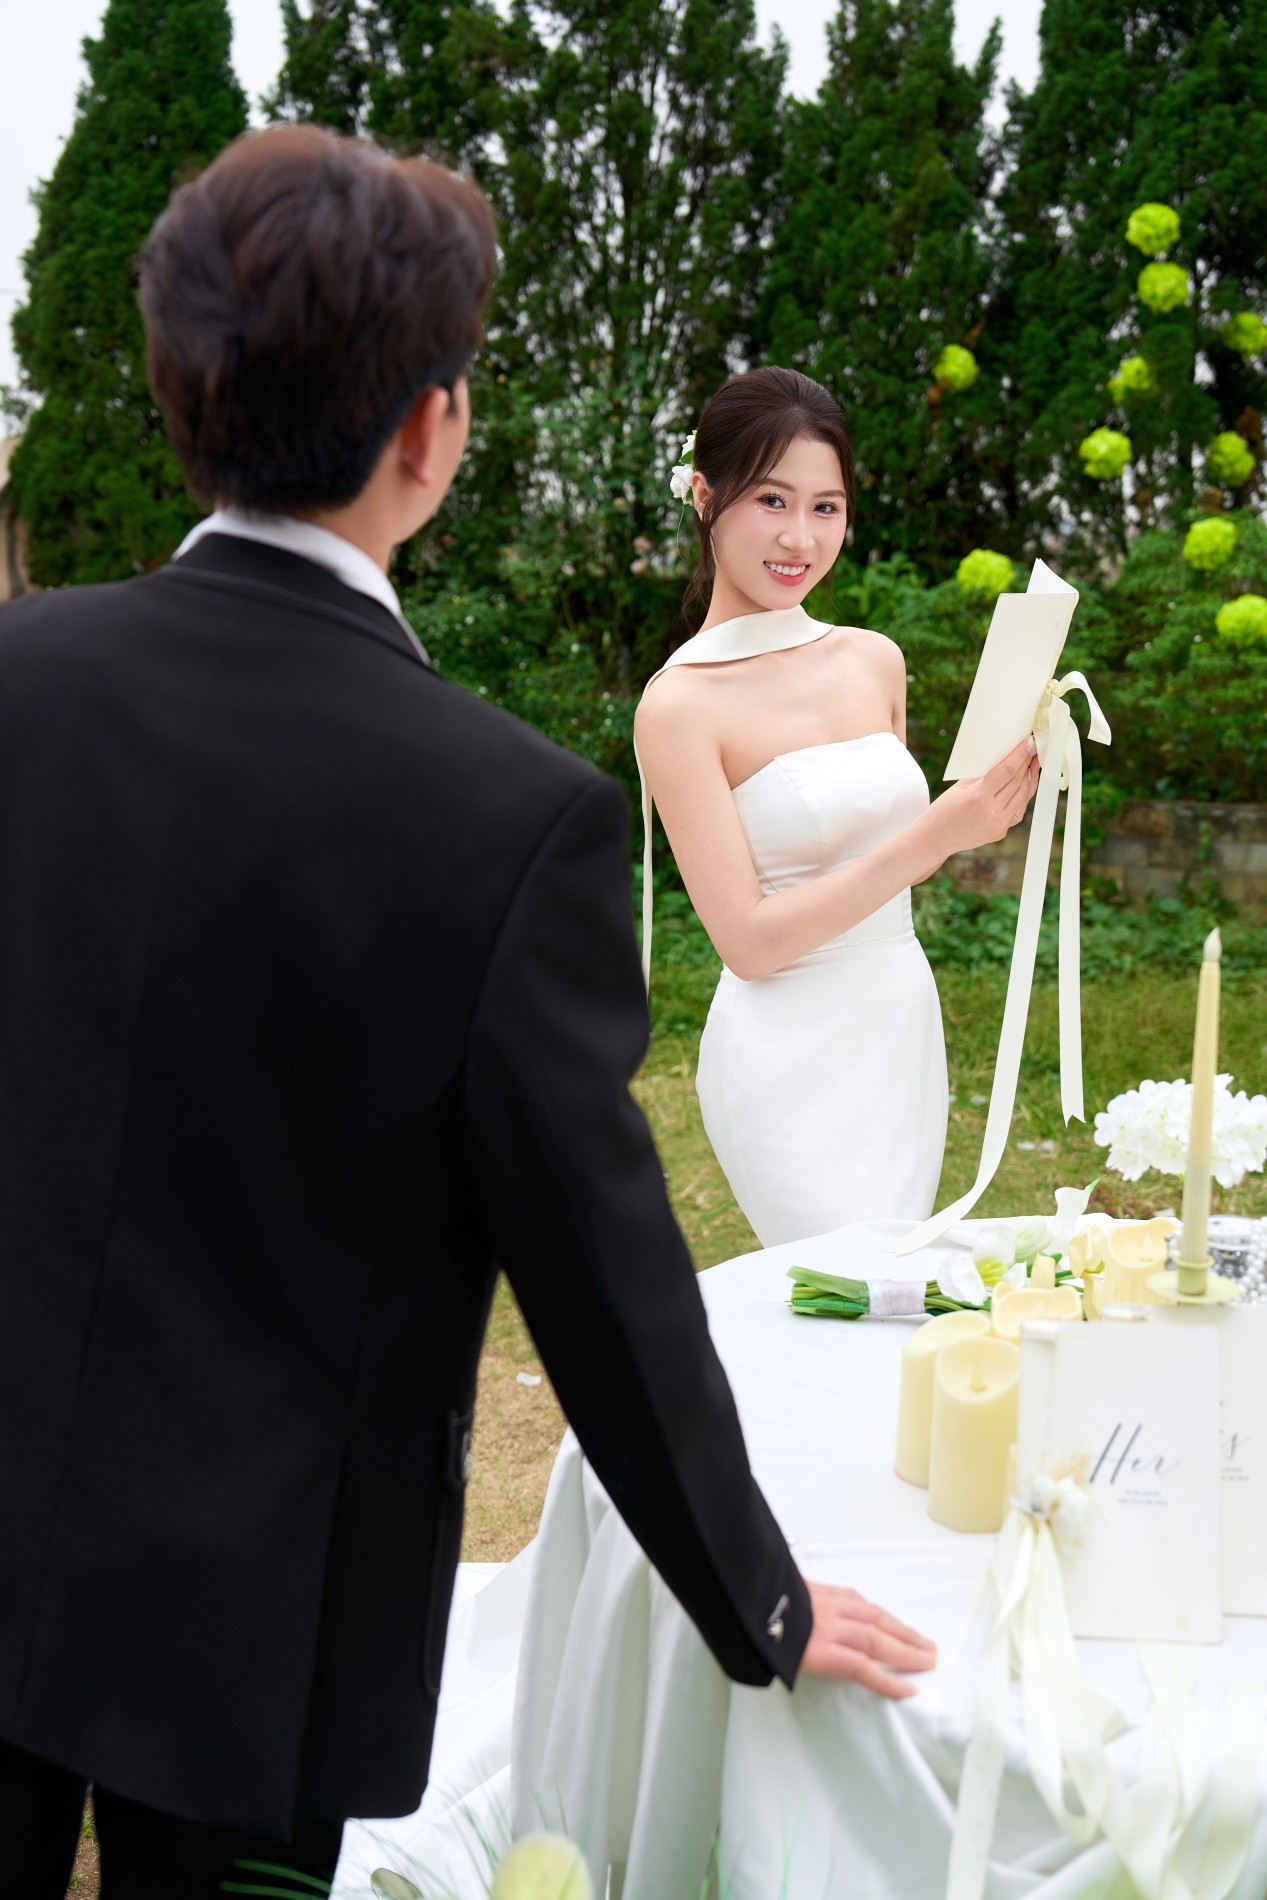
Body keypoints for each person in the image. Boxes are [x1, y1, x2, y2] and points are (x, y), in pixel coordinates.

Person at [0, 128, 936, 1899]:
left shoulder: (17, 682)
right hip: (260, 1603)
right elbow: (604, 1276)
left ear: (174, 388)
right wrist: (758, 1599)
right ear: (430, 431)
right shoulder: (500, 814)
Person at [635, 368, 1040, 1248]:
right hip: (784, 1059)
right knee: (838, 1289)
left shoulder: (874, 661)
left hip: (895, 1025)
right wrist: (937, 835)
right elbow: (746, 943)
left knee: (895, 1295)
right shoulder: (678, 706)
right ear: (703, 497)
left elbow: (883, 861)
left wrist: (991, 801)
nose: (799, 537)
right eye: (770, 500)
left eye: (825, 506)